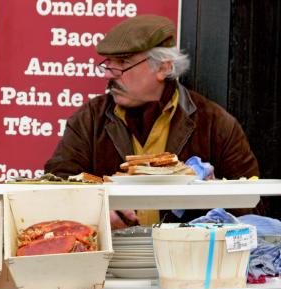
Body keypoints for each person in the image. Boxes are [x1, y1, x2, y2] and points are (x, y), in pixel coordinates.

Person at [44, 14, 259, 226]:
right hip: (112, 257)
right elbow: (55, 185)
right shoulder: (89, 120)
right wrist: (95, 210)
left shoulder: (216, 124)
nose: (109, 75)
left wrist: (213, 195)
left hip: (189, 257)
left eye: (123, 63)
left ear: (164, 67)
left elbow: (254, 205)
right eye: (108, 64)